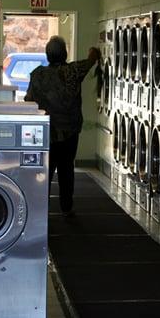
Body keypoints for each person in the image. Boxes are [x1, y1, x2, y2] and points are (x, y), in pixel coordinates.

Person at [25, 36, 101, 217]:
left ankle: (40, 207)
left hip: (46, 132)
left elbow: (29, 100)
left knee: (45, 170)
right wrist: (94, 52)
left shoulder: (38, 74)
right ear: (65, 54)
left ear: (47, 55)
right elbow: (91, 61)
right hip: (69, 131)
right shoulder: (73, 71)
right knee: (67, 169)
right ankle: (66, 207)